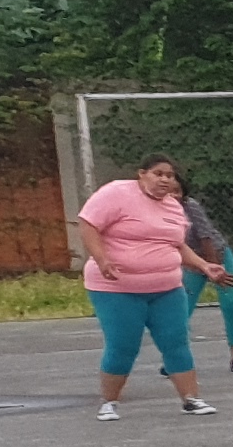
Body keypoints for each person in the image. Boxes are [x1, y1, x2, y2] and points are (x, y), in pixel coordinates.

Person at [72, 157, 220, 420]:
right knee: (123, 345)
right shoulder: (117, 192)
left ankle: (191, 399)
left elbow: (176, 245)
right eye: (158, 173)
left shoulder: (173, 207)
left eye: (170, 176)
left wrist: (203, 265)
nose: (165, 180)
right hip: (117, 287)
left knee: (176, 342)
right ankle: (109, 402)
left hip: (167, 288)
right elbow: (88, 224)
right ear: (142, 174)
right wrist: (101, 259)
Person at [175, 186, 233, 375]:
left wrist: (214, 268)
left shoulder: (190, 206)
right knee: (181, 309)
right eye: (169, 193)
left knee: (229, 304)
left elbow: (206, 236)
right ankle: (176, 358)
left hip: (217, 256)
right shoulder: (156, 210)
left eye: (177, 191)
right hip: (192, 263)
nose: (173, 196)